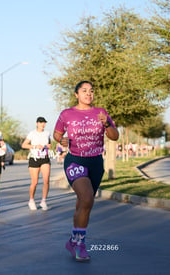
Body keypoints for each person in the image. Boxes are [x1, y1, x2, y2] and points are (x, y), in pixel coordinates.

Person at [53, 80, 119, 262]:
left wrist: (107, 125)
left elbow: (115, 136)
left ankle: (73, 240)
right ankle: (80, 244)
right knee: (88, 199)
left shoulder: (101, 113)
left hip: (96, 162)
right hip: (75, 161)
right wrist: (61, 140)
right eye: (84, 91)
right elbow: (57, 133)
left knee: (82, 204)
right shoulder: (67, 114)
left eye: (91, 91)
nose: (88, 94)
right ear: (76, 94)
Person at [21, 116, 52, 211]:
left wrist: (46, 146)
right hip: (34, 158)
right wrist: (35, 146)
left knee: (46, 180)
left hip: (45, 158)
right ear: (37, 123)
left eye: (44, 123)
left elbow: (50, 145)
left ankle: (43, 201)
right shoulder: (32, 133)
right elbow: (24, 145)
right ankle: (31, 200)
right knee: (34, 182)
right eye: (41, 122)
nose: (43, 124)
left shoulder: (47, 133)